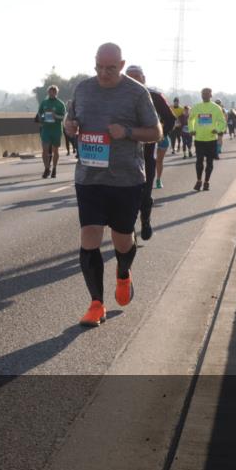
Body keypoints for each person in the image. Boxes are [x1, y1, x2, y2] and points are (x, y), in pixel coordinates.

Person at [64, 43, 162, 328]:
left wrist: (127, 132)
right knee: (89, 237)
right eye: (99, 67)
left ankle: (123, 273)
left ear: (121, 65)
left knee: (122, 239)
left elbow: (156, 132)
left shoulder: (136, 92)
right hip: (89, 178)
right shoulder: (83, 89)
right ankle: (96, 304)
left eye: (110, 68)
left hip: (126, 179)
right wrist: (69, 127)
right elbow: (71, 122)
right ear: (94, 63)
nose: (104, 73)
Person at [125, 65, 176, 241]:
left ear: (143, 78)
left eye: (136, 77)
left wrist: (158, 136)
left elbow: (170, 119)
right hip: (122, 154)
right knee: (126, 195)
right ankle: (129, 230)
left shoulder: (154, 96)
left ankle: (145, 220)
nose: (132, 80)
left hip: (147, 153)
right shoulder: (117, 96)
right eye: (128, 76)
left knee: (144, 194)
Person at [189, 89, 228, 191]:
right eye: (203, 94)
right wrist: (191, 129)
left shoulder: (216, 108)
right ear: (201, 95)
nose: (205, 96)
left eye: (207, 94)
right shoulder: (197, 107)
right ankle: (198, 181)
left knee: (210, 163)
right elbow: (191, 119)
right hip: (199, 139)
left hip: (211, 140)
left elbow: (222, 122)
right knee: (199, 161)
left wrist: (218, 129)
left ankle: (206, 182)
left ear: (211, 95)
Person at [36, 85, 66, 179]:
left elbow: (63, 118)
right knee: (45, 149)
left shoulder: (60, 104)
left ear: (56, 93)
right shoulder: (44, 102)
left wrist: (55, 116)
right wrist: (41, 119)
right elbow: (39, 113)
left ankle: (54, 168)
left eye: (54, 92)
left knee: (55, 150)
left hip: (56, 130)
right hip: (46, 129)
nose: (52, 93)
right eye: (50, 92)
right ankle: (47, 168)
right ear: (48, 92)